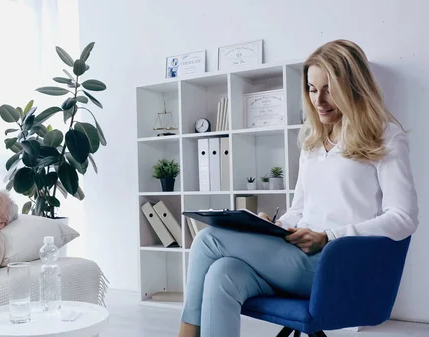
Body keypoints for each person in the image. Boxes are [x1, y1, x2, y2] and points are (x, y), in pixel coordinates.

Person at [178, 39, 419, 337]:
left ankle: (185, 333)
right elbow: (300, 210)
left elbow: (404, 218)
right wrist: (274, 226)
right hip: (295, 259)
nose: (319, 100)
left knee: (208, 240)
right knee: (222, 274)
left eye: (329, 89)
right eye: (312, 89)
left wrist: (329, 236)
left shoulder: (385, 136)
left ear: (354, 87)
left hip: (337, 264)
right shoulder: (313, 140)